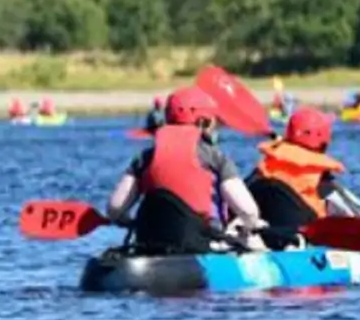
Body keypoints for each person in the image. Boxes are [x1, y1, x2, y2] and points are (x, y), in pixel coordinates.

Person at [105, 86, 268, 255]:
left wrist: (129, 222)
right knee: (256, 242)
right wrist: (244, 229)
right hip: (199, 244)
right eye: (213, 122)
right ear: (204, 122)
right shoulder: (215, 158)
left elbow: (115, 209)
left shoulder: (145, 157)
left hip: (148, 242)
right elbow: (248, 211)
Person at [247, 107, 360, 245]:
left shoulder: (264, 167)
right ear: (324, 139)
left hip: (263, 237)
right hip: (303, 241)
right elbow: (353, 214)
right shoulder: (321, 179)